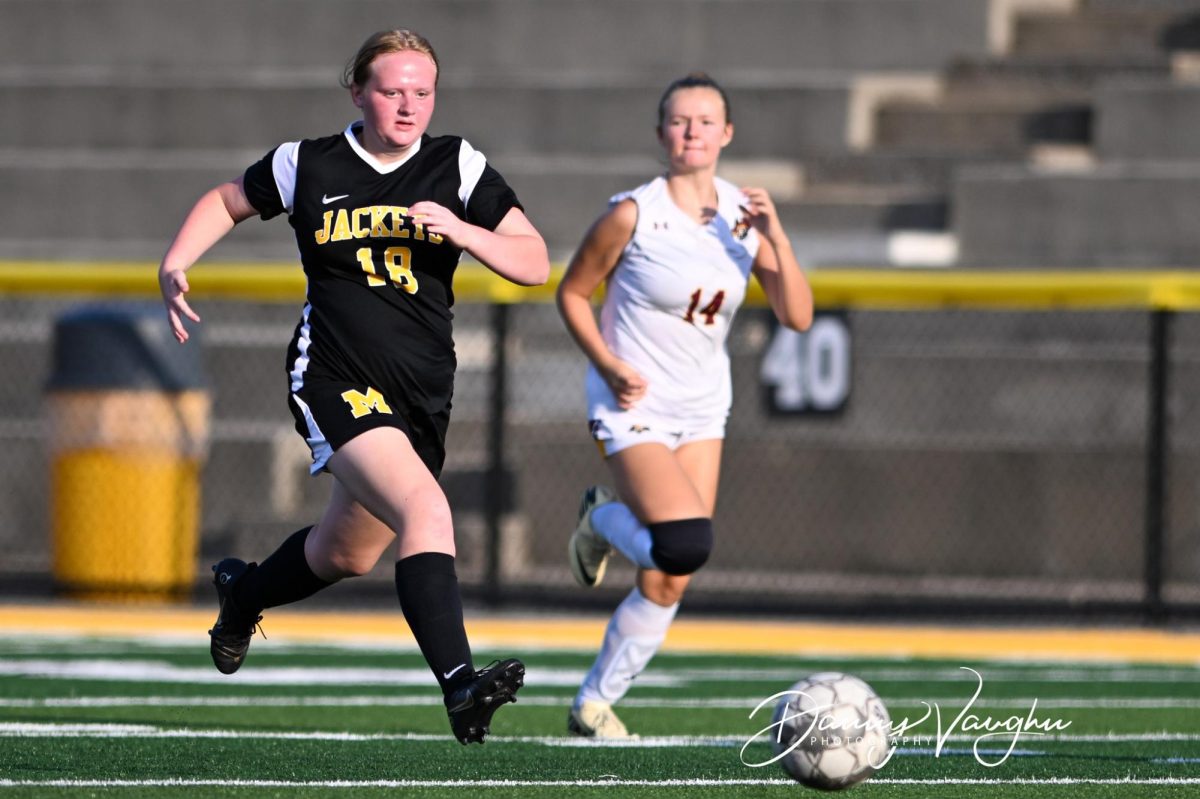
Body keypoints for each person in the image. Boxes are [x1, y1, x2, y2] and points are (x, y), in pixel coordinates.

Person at [157, 29, 549, 745]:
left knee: (345, 553)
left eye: (422, 92)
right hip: (335, 374)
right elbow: (226, 199)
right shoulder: (307, 162)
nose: (408, 106)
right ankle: (460, 687)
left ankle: (242, 594)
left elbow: (533, 260)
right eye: (392, 90)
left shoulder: (454, 164)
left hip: (421, 391)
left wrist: (465, 232)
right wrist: (176, 260)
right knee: (427, 509)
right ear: (358, 91)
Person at [556, 73, 814, 738]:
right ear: (662, 133)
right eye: (678, 120)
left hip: (702, 405)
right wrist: (609, 363)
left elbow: (798, 316)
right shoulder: (633, 213)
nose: (692, 131)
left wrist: (777, 238)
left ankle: (593, 701)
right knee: (684, 541)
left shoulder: (744, 215)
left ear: (727, 133)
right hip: (630, 398)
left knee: (673, 575)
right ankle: (604, 520)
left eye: (705, 121)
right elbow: (573, 292)